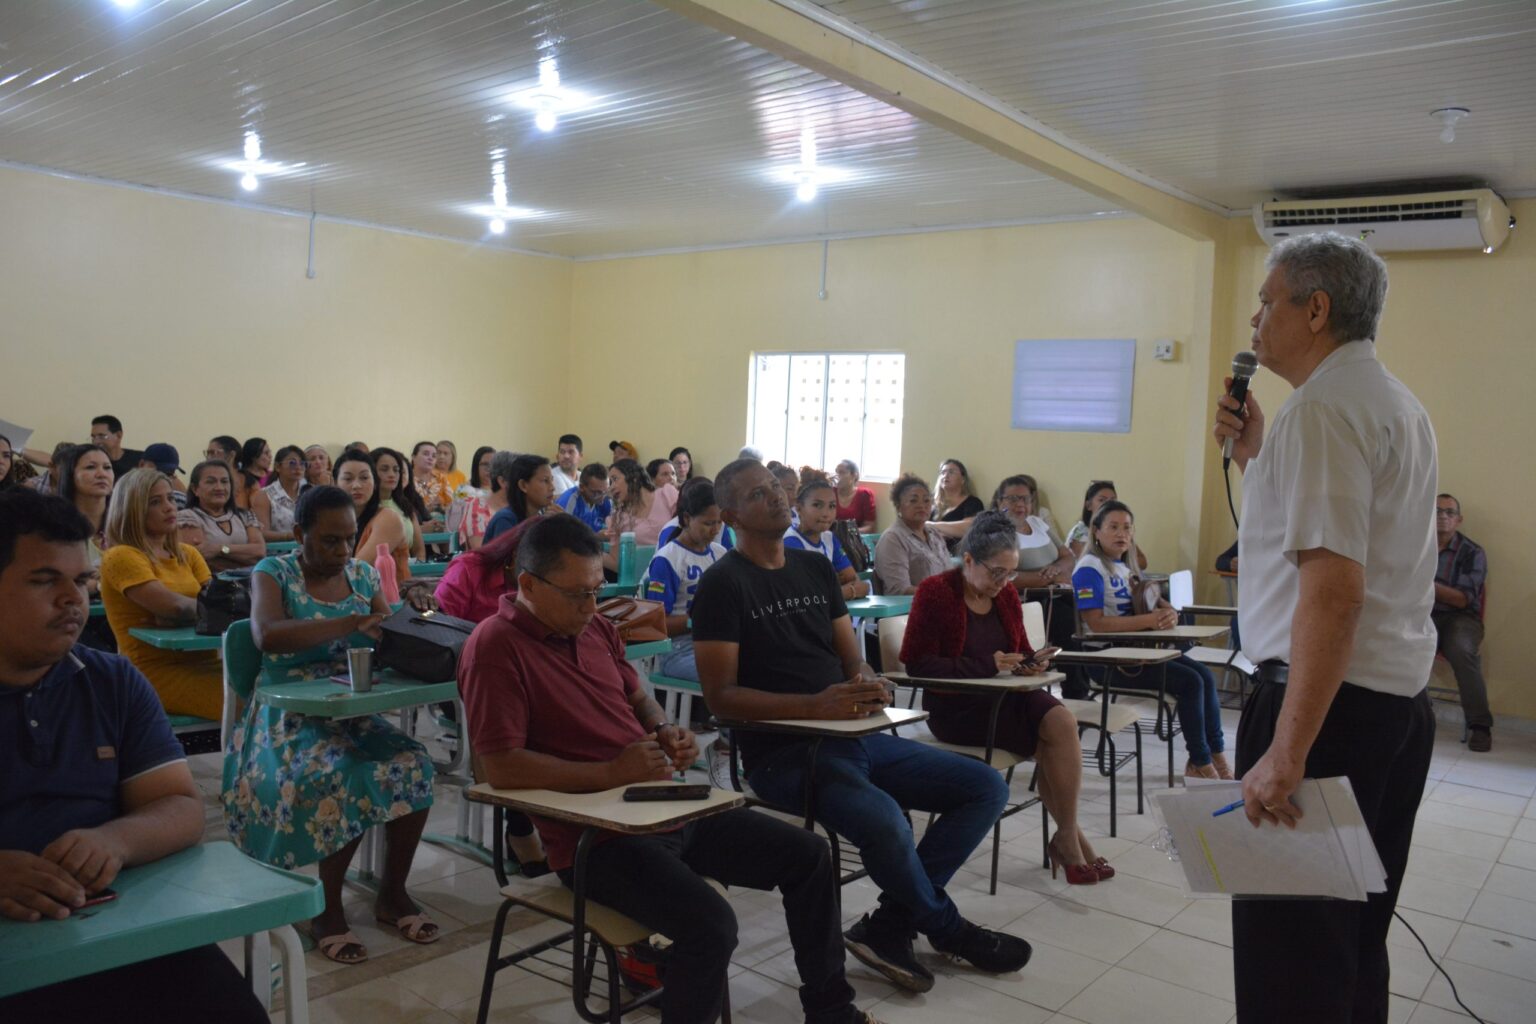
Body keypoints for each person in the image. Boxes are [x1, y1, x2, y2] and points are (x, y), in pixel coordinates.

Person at [457, 514, 881, 1024]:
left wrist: (664, 731)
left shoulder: (593, 628)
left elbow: (640, 699)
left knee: (809, 854)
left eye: (596, 591)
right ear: (527, 584)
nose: (592, 608)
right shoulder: (495, 646)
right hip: (596, 840)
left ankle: (831, 1009)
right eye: (578, 595)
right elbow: (499, 767)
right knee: (711, 925)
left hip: (660, 806)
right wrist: (611, 772)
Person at [693, 459, 1031, 994]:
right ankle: (949, 929)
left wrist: (870, 683)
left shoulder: (814, 570)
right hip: (785, 755)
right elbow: (722, 699)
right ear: (732, 514)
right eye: (761, 495)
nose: (779, 499)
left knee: (984, 787)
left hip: (855, 736)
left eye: (777, 490)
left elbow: (853, 661)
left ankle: (889, 925)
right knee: (886, 822)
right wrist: (818, 707)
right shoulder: (722, 584)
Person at [1212, 231, 1438, 1024]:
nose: (1254, 317)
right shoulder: (1394, 404)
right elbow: (1339, 539)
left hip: (1323, 712)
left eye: (1268, 301)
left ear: (1316, 309)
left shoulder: (1323, 411)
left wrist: (1286, 753)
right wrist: (1256, 455)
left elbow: (1334, 593)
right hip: (1393, 710)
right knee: (1347, 943)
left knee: (1289, 962)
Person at [0, 489, 267, 1023]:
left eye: (80, 581)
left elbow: (180, 807)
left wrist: (114, 840)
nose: (73, 600)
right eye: (43, 580)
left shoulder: (112, 682)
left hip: (116, 927)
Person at [225, 485, 439, 965]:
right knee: (343, 774)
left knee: (414, 763)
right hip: (284, 718)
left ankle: (393, 892)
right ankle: (327, 906)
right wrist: (349, 622)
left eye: (349, 539)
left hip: (348, 711)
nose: (343, 552)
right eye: (329, 541)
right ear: (299, 534)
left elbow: (389, 632)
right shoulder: (273, 572)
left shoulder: (362, 576)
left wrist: (413, 609)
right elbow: (266, 635)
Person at [901, 512, 1109, 884]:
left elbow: (1021, 650)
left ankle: (1067, 836)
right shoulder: (936, 592)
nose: (1004, 582)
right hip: (958, 705)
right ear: (968, 561)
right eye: (996, 572)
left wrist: (1031, 664)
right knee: (1049, 746)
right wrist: (987, 664)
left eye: (1010, 573)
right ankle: (1073, 842)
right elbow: (917, 665)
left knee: (1061, 722)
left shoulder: (1006, 595)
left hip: (1007, 697)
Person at [1072, 499, 1229, 780]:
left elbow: (1156, 603)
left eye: (1127, 528)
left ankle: (1216, 755)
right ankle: (1199, 760)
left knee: (1204, 675)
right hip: (1107, 659)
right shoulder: (1089, 568)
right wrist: (1147, 621)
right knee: (1190, 682)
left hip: (1136, 652)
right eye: (1113, 527)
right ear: (1096, 531)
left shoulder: (1126, 567)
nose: (1122, 534)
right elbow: (1095, 623)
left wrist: (1167, 614)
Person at [99, 469, 222, 720]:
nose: (169, 508)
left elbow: (217, 604)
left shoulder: (188, 553)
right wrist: (182, 612)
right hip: (154, 671)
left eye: (170, 498)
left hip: (208, 662)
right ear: (133, 509)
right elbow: (174, 607)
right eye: (156, 502)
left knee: (267, 687)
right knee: (252, 704)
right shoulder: (121, 555)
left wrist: (181, 614)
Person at [646, 478, 728, 683]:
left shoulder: (720, 554)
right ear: (687, 518)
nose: (716, 530)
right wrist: (698, 620)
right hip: (678, 651)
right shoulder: (668, 559)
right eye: (708, 523)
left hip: (716, 642)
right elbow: (656, 625)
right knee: (731, 674)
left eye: (719, 522)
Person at [1430, 493, 1491, 751]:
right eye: (1436, 511)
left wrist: (1423, 585)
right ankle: (1399, 716)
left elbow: (1462, 599)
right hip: (1424, 613)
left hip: (1462, 618)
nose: (1442, 516)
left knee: (1462, 652)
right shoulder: (1416, 546)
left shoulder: (1472, 552)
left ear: (1459, 519)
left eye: (1449, 512)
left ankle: (1480, 726)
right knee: (1397, 643)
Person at [873, 474, 965, 596]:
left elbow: (950, 577)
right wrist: (942, 593)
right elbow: (900, 590)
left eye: (927, 500)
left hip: (944, 604)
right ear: (899, 506)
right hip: (912, 609)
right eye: (913, 500)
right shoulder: (893, 538)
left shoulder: (934, 535)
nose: (921, 505)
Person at [784, 474, 869, 602]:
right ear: (799, 508)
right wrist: (843, 589)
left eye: (832, 506)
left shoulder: (829, 538)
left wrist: (841, 589)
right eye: (817, 505)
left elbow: (853, 579)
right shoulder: (791, 541)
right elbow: (809, 595)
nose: (826, 513)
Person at [334, 450, 412, 581]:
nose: (356, 485)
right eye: (348, 479)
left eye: (364, 478)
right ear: (334, 482)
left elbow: (357, 572)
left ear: (375, 483)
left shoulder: (388, 519)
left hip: (389, 598)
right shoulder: (335, 519)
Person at [175, 460, 267, 572]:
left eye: (224, 481)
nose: (219, 487)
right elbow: (200, 559)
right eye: (211, 482)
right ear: (195, 489)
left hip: (251, 582)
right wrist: (245, 555)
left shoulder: (244, 515)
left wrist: (219, 549)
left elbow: (259, 552)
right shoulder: (187, 517)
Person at [603, 459, 678, 565]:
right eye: (610, 483)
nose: (611, 487)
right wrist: (590, 553)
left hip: (677, 567)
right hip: (644, 578)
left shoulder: (667, 495)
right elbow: (617, 563)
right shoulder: (617, 519)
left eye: (615, 479)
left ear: (633, 477)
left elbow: (687, 530)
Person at [1064, 480, 1149, 570]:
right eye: (1102, 500)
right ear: (1088, 505)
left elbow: (1142, 562)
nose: (1108, 504)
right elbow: (1096, 565)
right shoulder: (1080, 532)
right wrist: (1124, 561)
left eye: (1113, 500)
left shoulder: (1122, 528)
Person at [57, 443, 113, 577]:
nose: (102, 474)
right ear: (70, 475)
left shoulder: (123, 524)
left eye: (107, 467)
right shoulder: (56, 527)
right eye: (90, 467)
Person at [484, 453, 557, 544]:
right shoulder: (505, 520)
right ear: (523, 485)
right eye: (545, 481)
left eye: (552, 480)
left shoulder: (541, 516)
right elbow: (515, 557)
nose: (552, 487)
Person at [372, 447, 428, 563]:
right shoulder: (365, 506)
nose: (392, 474)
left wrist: (417, 570)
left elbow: (419, 550)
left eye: (396, 470)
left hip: (409, 572)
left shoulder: (404, 505)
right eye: (384, 469)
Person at [251, 445, 307, 542]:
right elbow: (261, 533)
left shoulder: (309, 491)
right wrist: (290, 536)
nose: (298, 467)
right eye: (292, 463)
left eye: (302, 463)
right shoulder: (265, 495)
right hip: (278, 553)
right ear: (277, 467)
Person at [930, 459, 983, 551]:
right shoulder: (931, 503)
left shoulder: (972, 503)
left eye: (951, 472)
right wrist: (950, 531)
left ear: (963, 479)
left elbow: (968, 528)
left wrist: (931, 525)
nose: (945, 475)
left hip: (957, 556)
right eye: (943, 472)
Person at [456, 445, 499, 548]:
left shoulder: (503, 492)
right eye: (485, 464)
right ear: (476, 466)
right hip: (474, 539)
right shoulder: (464, 490)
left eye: (494, 464)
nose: (489, 469)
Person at [555, 462, 613, 533]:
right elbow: (561, 536)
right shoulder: (569, 501)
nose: (602, 497)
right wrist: (596, 537)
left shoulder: (606, 499)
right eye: (596, 492)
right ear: (581, 487)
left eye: (605, 491)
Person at [89, 414, 143, 481]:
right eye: (93, 437)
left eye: (102, 436)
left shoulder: (139, 460)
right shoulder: (90, 463)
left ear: (118, 435)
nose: (96, 442)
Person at [410, 441, 451, 529]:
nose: (430, 458)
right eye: (426, 454)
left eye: (434, 456)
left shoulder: (441, 478)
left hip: (440, 525)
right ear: (413, 457)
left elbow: (451, 505)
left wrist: (442, 507)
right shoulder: (406, 478)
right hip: (415, 525)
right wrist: (426, 509)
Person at [832, 460, 878, 533]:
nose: (837, 476)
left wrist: (848, 533)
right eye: (836, 472)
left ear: (854, 475)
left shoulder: (864, 494)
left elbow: (870, 527)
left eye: (842, 472)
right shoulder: (830, 492)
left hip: (853, 540)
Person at [137, 444, 188, 509]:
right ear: (141, 465)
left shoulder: (178, 499)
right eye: (159, 471)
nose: (164, 479)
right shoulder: (125, 495)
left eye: (169, 474)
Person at [235, 437, 271, 510]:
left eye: (269, 452)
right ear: (254, 456)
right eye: (266, 453)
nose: (270, 456)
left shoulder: (274, 475)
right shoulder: (241, 478)